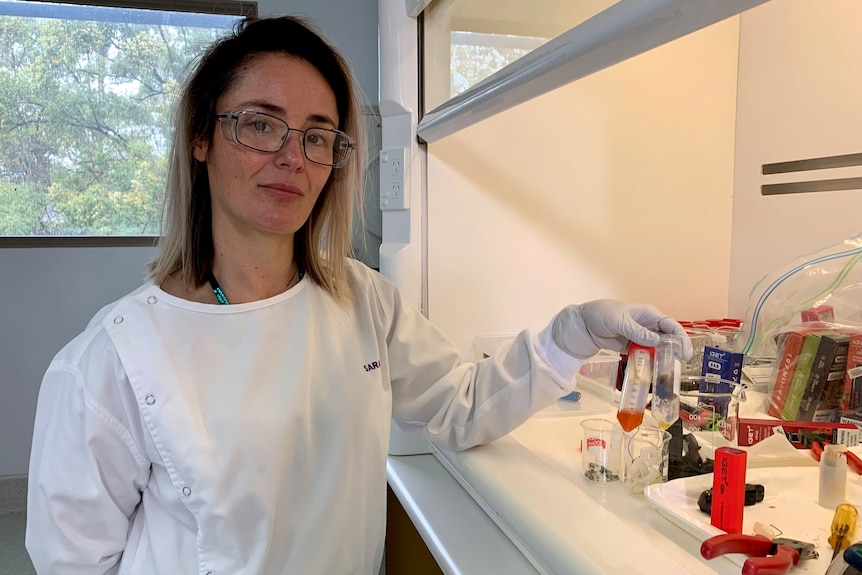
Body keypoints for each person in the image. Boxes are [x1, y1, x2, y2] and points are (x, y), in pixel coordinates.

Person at [25, 15, 693, 575]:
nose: (292, 156)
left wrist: (573, 332)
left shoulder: (364, 301)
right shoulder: (113, 359)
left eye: (317, 136)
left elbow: (462, 407)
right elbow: (73, 561)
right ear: (201, 138)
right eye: (260, 125)